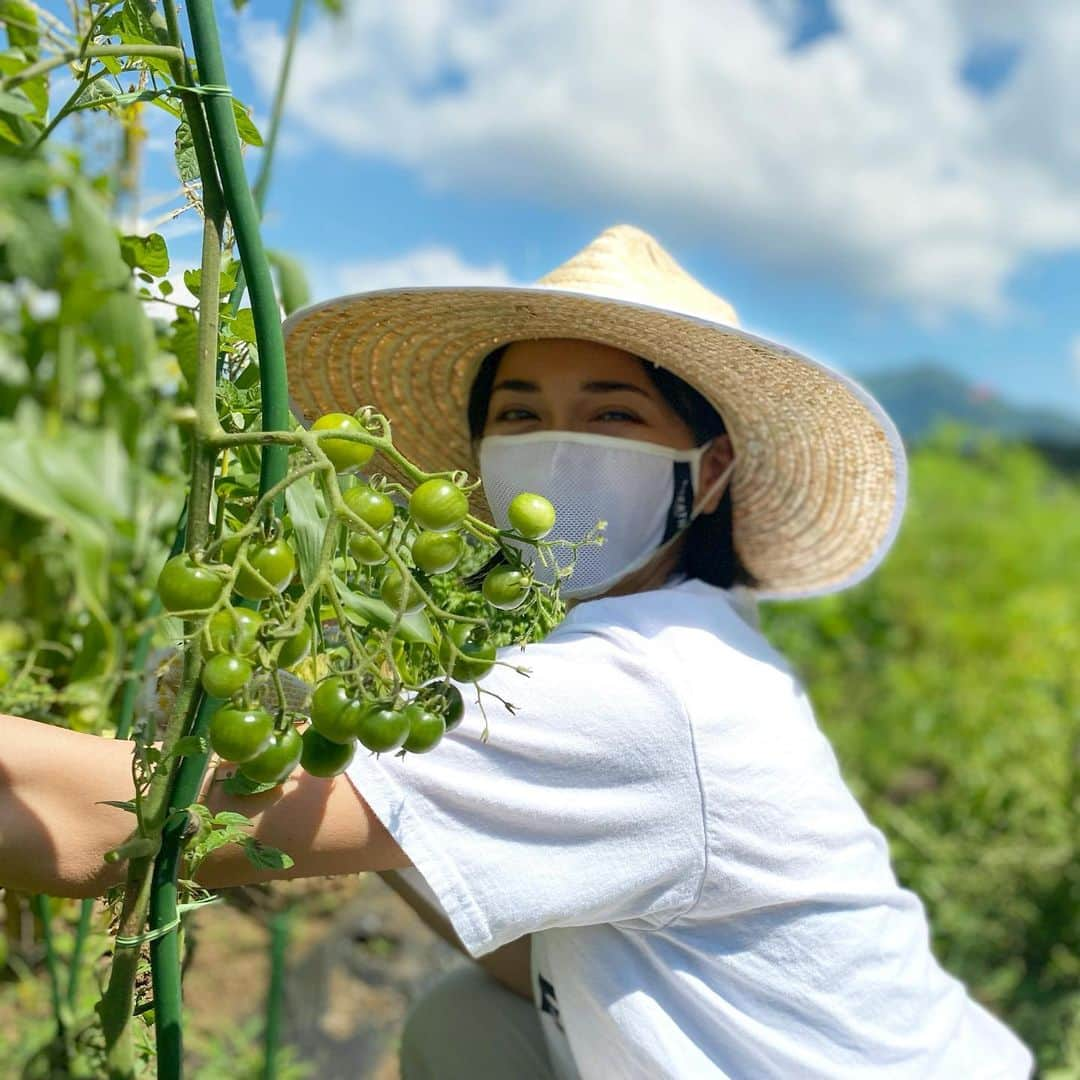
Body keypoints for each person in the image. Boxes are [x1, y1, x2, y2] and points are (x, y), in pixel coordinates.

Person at [0, 225, 1033, 1078]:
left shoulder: (644, 684)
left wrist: (308, 774)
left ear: (706, 471)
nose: (557, 446)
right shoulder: (694, 636)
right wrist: (382, 799)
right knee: (468, 1022)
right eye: (520, 415)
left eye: (613, 414)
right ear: (484, 464)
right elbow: (530, 955)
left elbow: (94, 827)